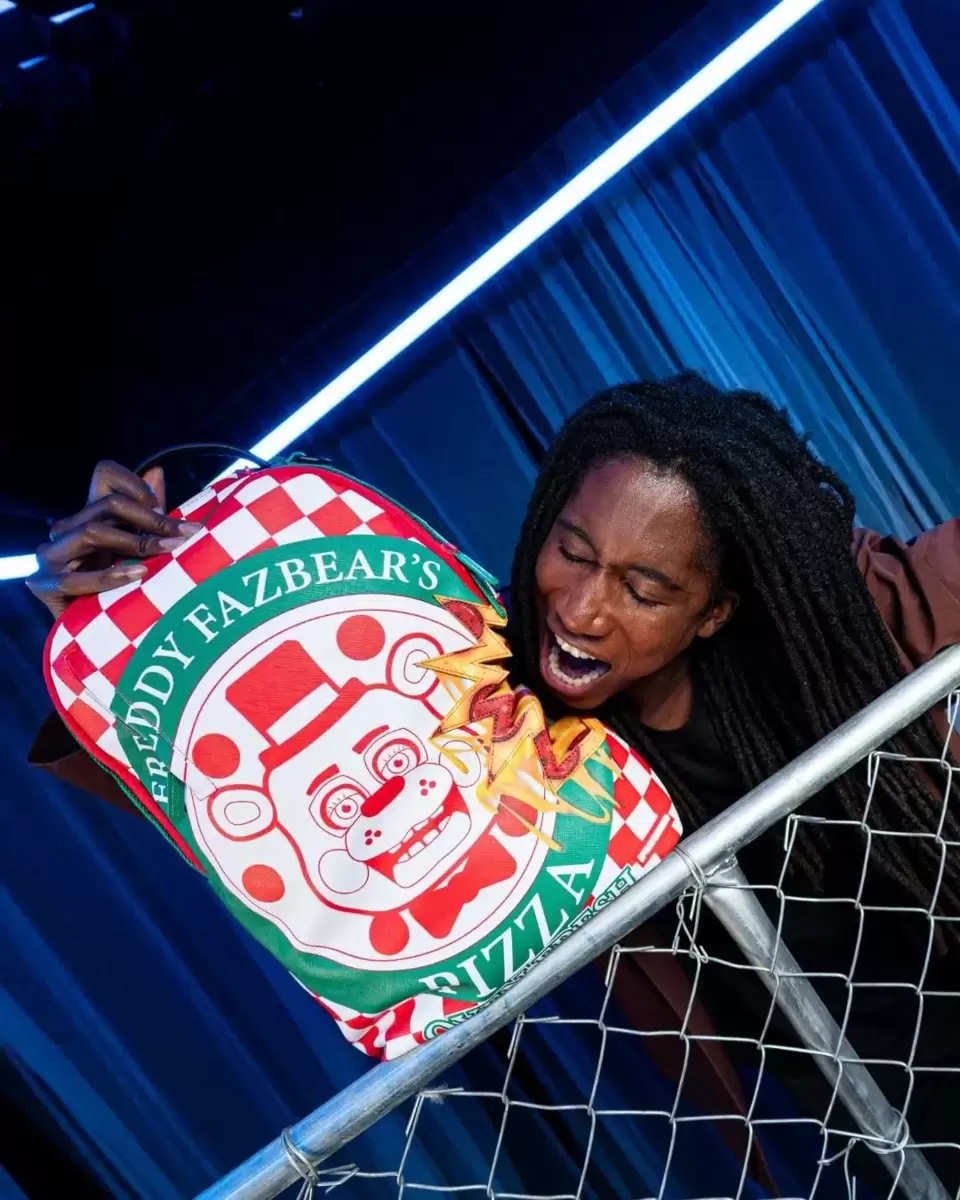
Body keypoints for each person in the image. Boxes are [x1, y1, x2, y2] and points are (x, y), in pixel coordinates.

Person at [27, 373, 960, 1193]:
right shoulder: (473, 691)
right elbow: (221, 782)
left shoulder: (836, 629)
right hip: (864, 1117)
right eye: (572, 551)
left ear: (713, 610)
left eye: (643, 590)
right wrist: (124, 609)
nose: (582, 609)